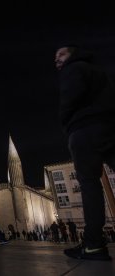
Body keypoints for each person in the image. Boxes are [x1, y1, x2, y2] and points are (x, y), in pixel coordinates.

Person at [55, 45, 115, 261]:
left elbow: (69, 99)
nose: (57, 60)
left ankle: (94, 245)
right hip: (109, 127)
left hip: (85, 130)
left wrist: (67, 123)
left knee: (89, 184)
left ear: (72, 54)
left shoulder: (73, 70)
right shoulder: (99, 71)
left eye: (61, 54)